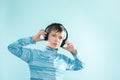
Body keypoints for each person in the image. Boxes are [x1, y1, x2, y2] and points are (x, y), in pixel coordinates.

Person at [8, 23, 84, 80]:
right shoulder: (34, 55)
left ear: (63, 42)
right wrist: (32, 39)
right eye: (53, 35)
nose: (57, 40)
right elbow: (12, 47)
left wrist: (74, 52)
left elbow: (80, 66)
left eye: (60, 37)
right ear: (46, 36)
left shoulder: (64, 60)